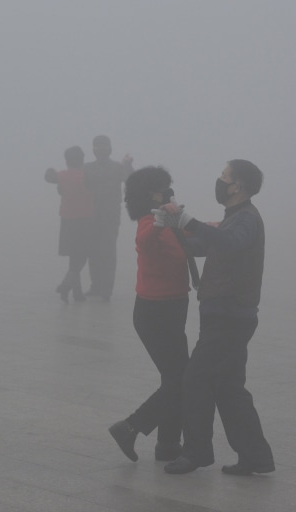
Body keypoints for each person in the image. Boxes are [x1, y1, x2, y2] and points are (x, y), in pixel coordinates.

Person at [154, 159, 275, 476]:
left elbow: (229, 243)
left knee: (195, 380)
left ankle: (196, 452)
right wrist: (172, 227)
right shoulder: (234, 217)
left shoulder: (246, 219)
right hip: (226, 313)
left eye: (224, 177)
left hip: (230, 315)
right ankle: (255, 456)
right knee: (230, 387)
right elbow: (202, 245)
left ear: (238, 186)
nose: (219, 182)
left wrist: (188, 221)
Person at [108, 166, 191, 463]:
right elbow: (144, 240)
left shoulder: (168, 221)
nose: (167, 193)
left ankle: (168, 444)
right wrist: (160, 218)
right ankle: (130, 427)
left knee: (176, 378)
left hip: (173, 308)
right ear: (148, 195)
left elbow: (195, 233)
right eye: (161, 189)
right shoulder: (149, 222)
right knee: (181, 378)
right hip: (155, 313)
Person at [83, 135, 134, 301]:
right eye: (97, 146)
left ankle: (106, 290)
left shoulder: (117, 167)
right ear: (93, 149)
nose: (100, 149)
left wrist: (128, 165)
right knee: (92, 251)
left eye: (103, 146)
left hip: (110, 216)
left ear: (110, 149)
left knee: (108, 252)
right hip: (89, 216)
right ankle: (96, 286)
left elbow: (131, 180)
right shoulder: (86, 168)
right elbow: (73, 184)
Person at [44, 146, 93, 303]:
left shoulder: (62, 176)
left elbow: (49, 177)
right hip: (85, 220)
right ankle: (66, 286)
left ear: (66, 161)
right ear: (82, 159)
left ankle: (77, 293)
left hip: (66, 220)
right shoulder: (86, 176)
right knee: (81, 258)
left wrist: (50, 170)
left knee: (74, 257)